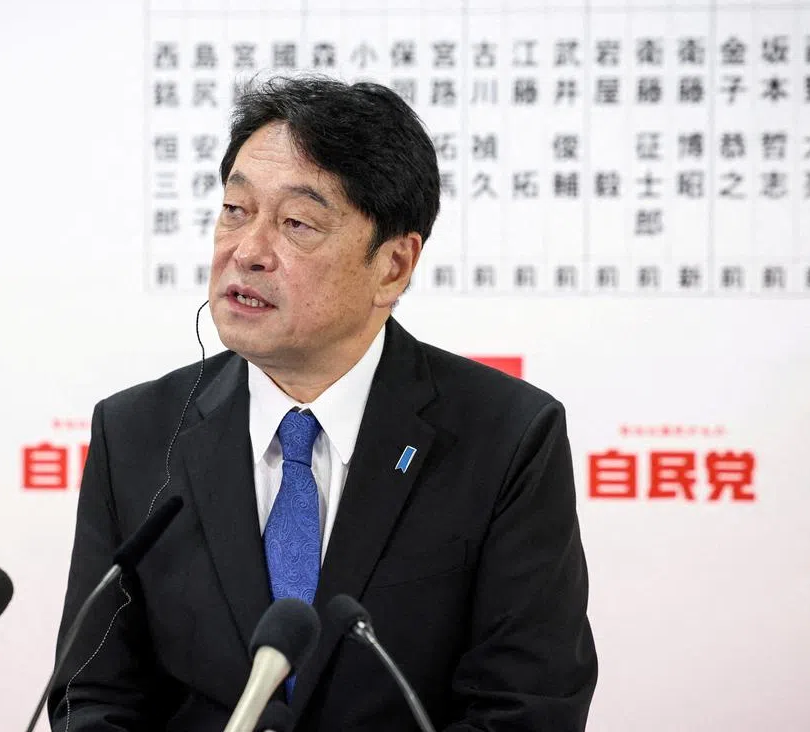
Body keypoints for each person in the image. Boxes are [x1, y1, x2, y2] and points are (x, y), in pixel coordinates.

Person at [48, 75, 597, 731]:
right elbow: (93, 695)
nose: (247, 251)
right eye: (236, 210)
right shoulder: (136, 432)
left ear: (393, 266)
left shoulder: (507, 438)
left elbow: (527, 709)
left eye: (296, 223)